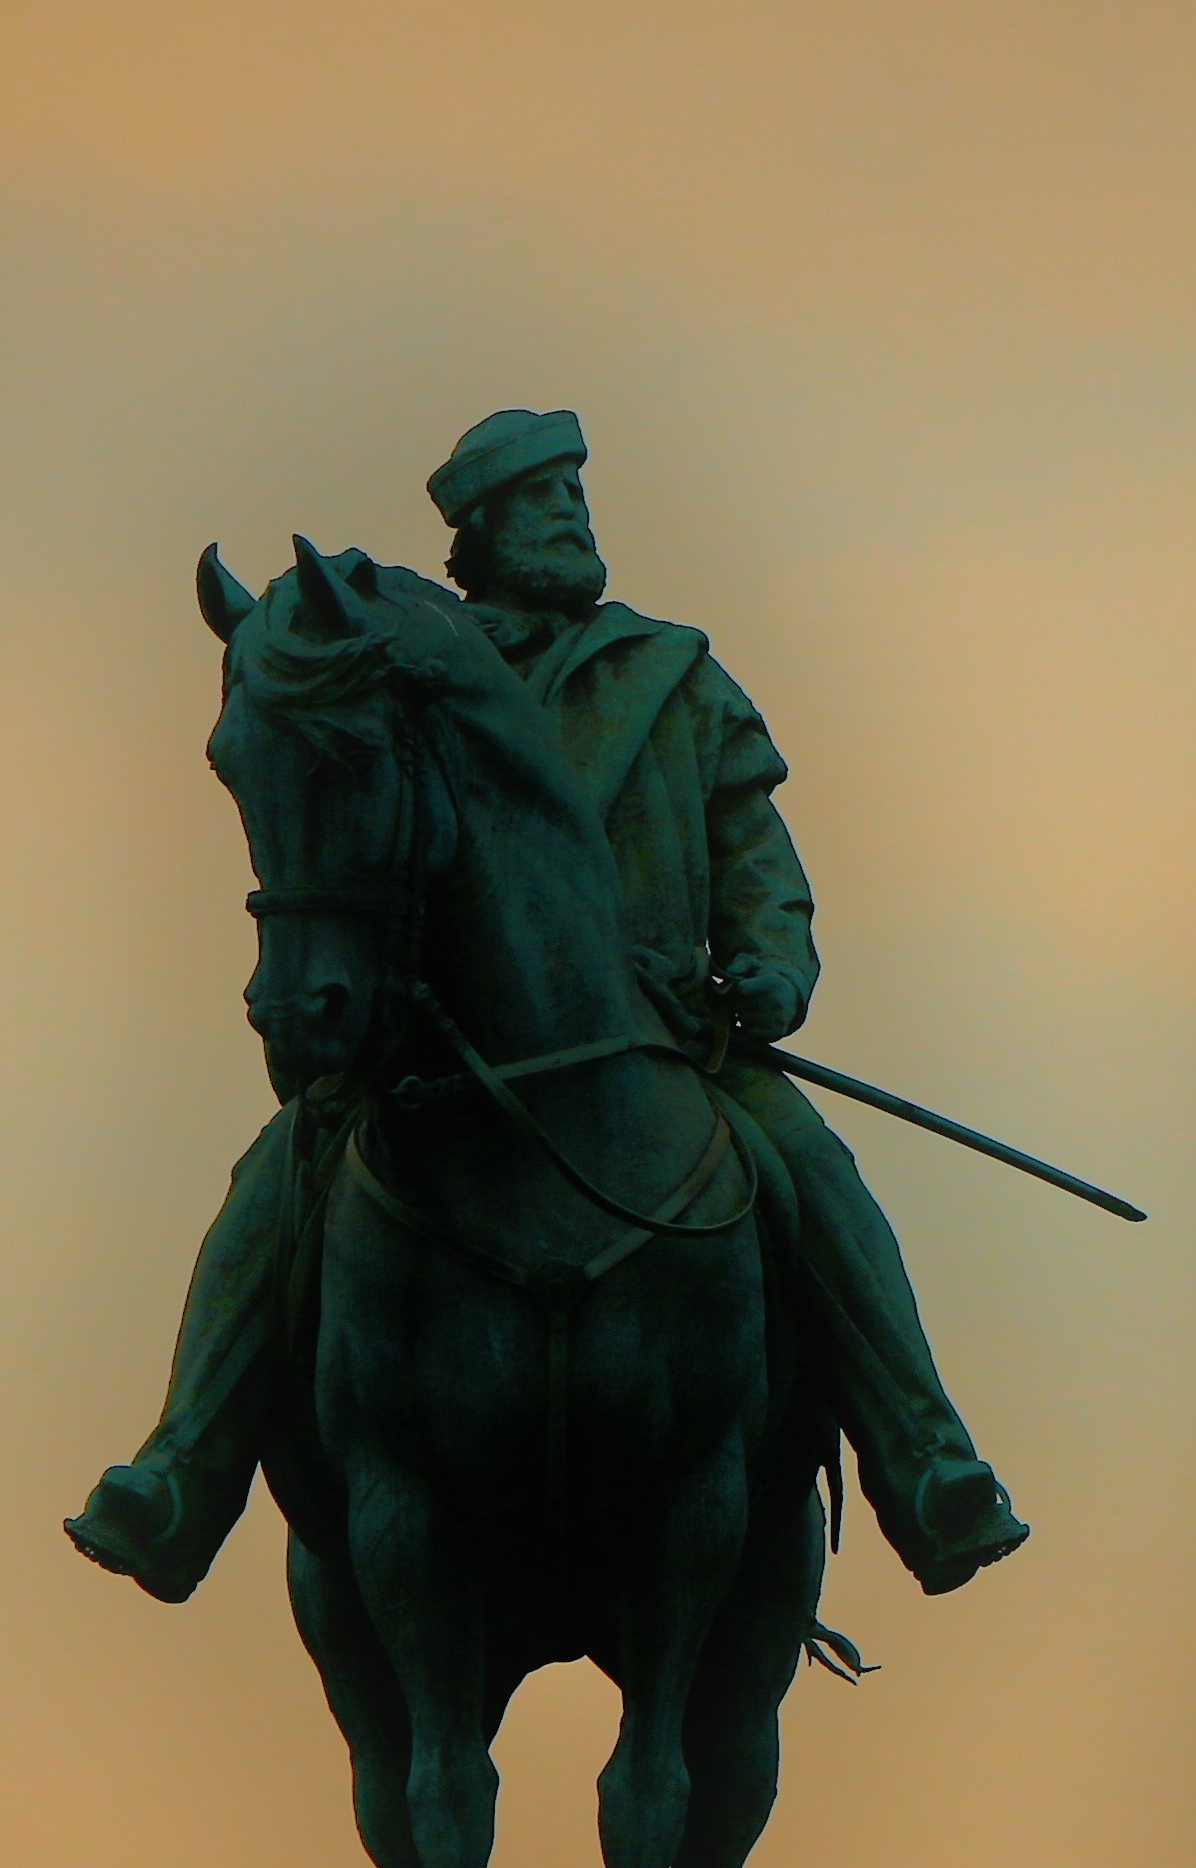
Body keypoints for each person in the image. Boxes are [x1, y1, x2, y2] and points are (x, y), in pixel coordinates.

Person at [65, 406, 1030, 1604]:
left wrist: (771, 972)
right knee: (279, 1175)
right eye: (536, 502)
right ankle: (183, 1468)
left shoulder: (673, 675)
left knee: (813, 1170)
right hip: (441, 1057)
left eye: (573, 494)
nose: (568, 516)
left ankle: (928, 1458)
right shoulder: (413, 673)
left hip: (672, 1046)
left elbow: (754, 850)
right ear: (475, 537)